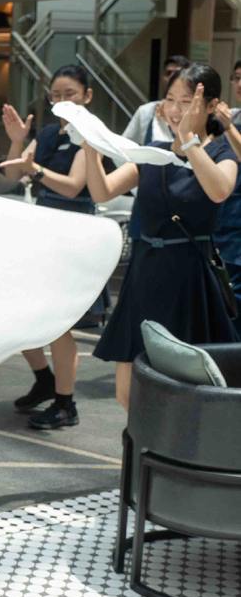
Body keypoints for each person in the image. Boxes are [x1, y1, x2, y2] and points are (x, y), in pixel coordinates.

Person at [86, 63, 238, 409]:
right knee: (128, 393)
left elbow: (219, 190)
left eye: (186, 101)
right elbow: (102, 191)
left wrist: (189, 142)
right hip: (144, 273)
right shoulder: (154, 151)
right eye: (170, 99)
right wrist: (91, 150)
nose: (175, 109)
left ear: (212, 106)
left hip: (188, 278)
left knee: (183, 392)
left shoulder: (221, 152)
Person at [0, 64, 103, 430]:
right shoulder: (45, 134)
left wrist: (37, 171)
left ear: (87, 96)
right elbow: (12, 172)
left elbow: (74, 186)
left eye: (70, 94)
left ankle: (65, 403)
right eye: (55, 95)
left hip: (74, 233)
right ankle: (44, 379)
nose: (62, 101)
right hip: (43, 230)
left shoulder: (91, 135)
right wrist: (16, 139)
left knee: (59, 325)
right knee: (22, 314)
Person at [213, 74, 241, 314]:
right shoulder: (229, 116)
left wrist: (229, 127)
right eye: (237, 78)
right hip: (222, 220)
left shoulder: (229, 122)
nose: (240, 84)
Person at [123, 54, 189, 145]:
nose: (172, 78)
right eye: (168, 73)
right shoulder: (146, 111)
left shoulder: (195, 115)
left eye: (177, 74)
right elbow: (125, 145)